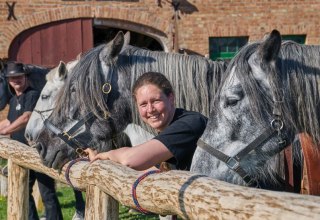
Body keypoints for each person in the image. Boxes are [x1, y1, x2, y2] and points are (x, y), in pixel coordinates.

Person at [84, 71, 207, 171]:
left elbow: (130, 160)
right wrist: (98, 157)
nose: (150, 109)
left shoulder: (190, 124)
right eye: (143, 104)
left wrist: (106, 155)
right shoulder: (170, 128)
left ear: (171, 98)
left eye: (156, 101)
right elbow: (149, 168)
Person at [0, 62, 63, 220]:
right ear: (8, 80)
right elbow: (8, 121)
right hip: (21, 154)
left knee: (47, 193)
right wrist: (3, 128)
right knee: (23, 191)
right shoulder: (14, 99)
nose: (16, 80)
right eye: (12, 78)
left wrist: (6, 131)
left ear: (25, 77)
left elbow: (26, 117)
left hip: (36, 151)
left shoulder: (33, 95)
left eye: (19, 77)